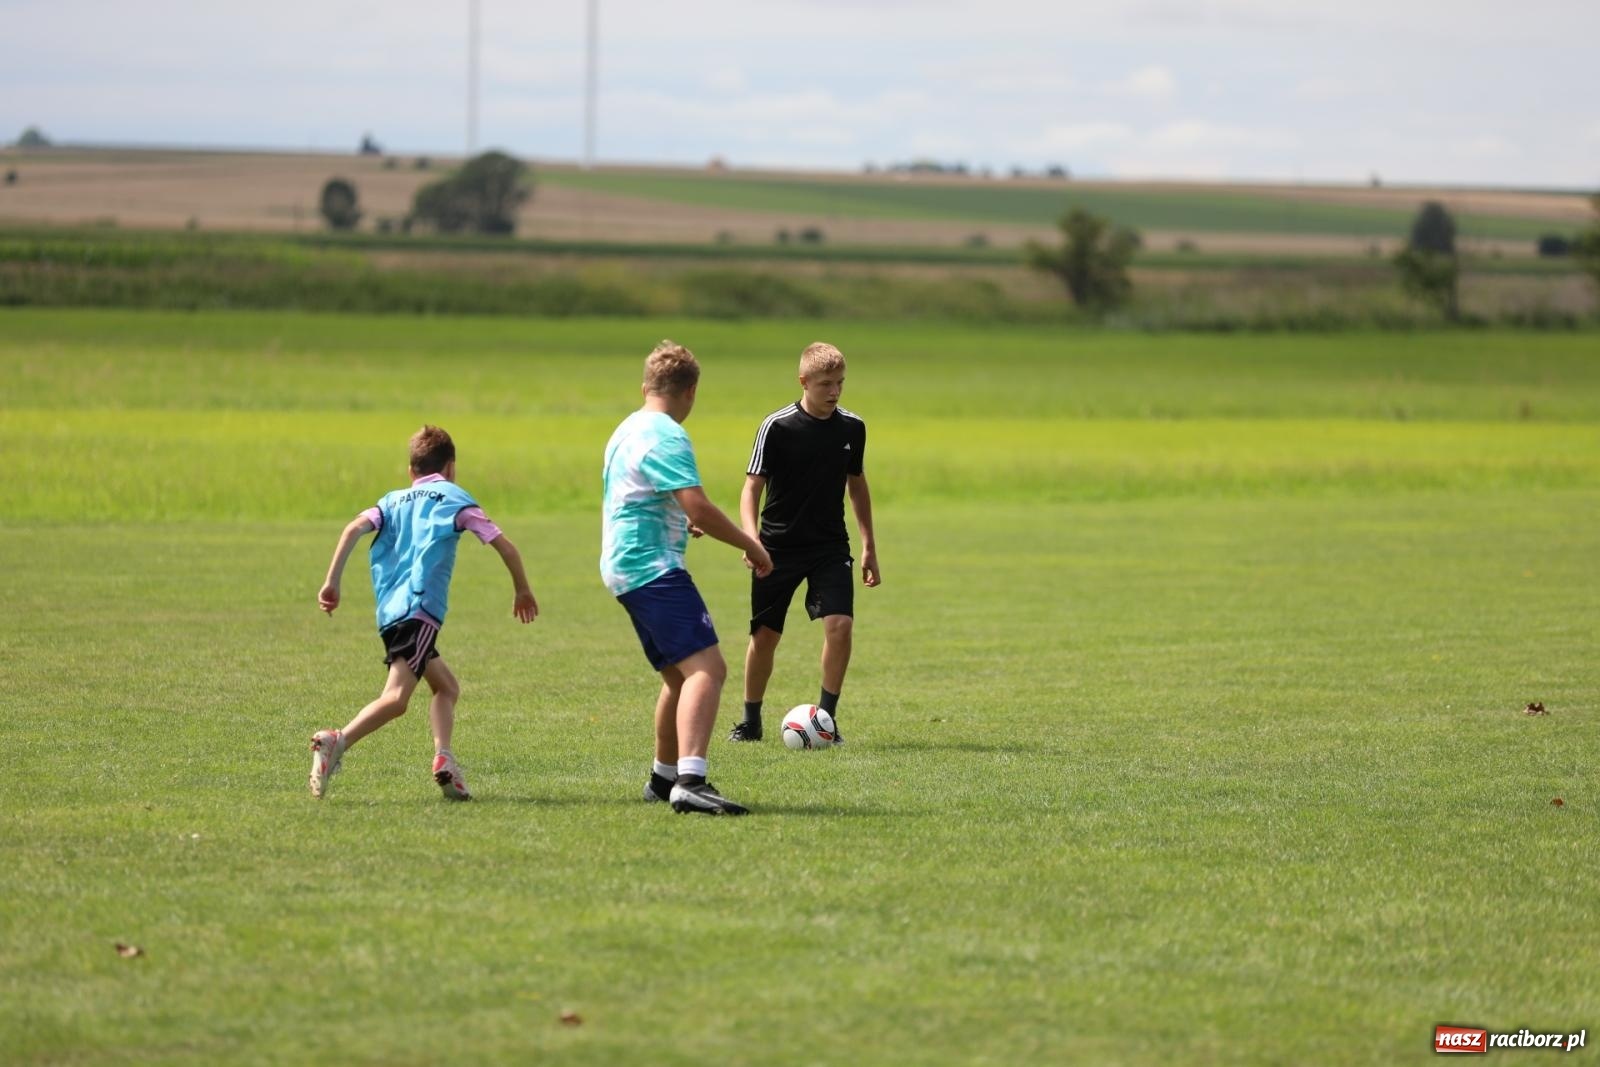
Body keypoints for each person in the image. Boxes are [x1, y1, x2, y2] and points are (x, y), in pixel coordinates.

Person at [310, 425, 538, 800]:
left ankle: (444, 759)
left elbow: (352, 529)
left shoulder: (391, 501)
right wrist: (522, 590)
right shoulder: (455, 498)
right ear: (450, 467)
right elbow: (506, 547)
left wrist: (331, 582)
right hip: (420, 611)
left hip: (390, 612)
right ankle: (337, 740)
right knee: (396, 699)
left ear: (411, 470)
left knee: (446, 687)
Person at [602, 340, 773, 816]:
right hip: (651, 566)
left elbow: (643, 495)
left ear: (646, 388)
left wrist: (679, 520)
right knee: (708, 670)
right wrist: (751, 544)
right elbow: (697, 504)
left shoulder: (628, 428)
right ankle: (692, 781)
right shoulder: (668, 435)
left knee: (680, 677)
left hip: (624, 565)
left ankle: (664, 779)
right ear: (691, 391)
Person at [729, 342, 879, 744]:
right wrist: (751, 538)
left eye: (840, 383)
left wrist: (868, 545)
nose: (835, 391)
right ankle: (750, 721)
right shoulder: (777, 427)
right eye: (826, 384)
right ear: (804, 381)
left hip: (829, 547)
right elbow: (751, 488)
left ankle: (826, 720)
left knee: (840, 626)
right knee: (765, 637)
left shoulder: (852, 428)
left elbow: (857, 486)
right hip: (776, 548)